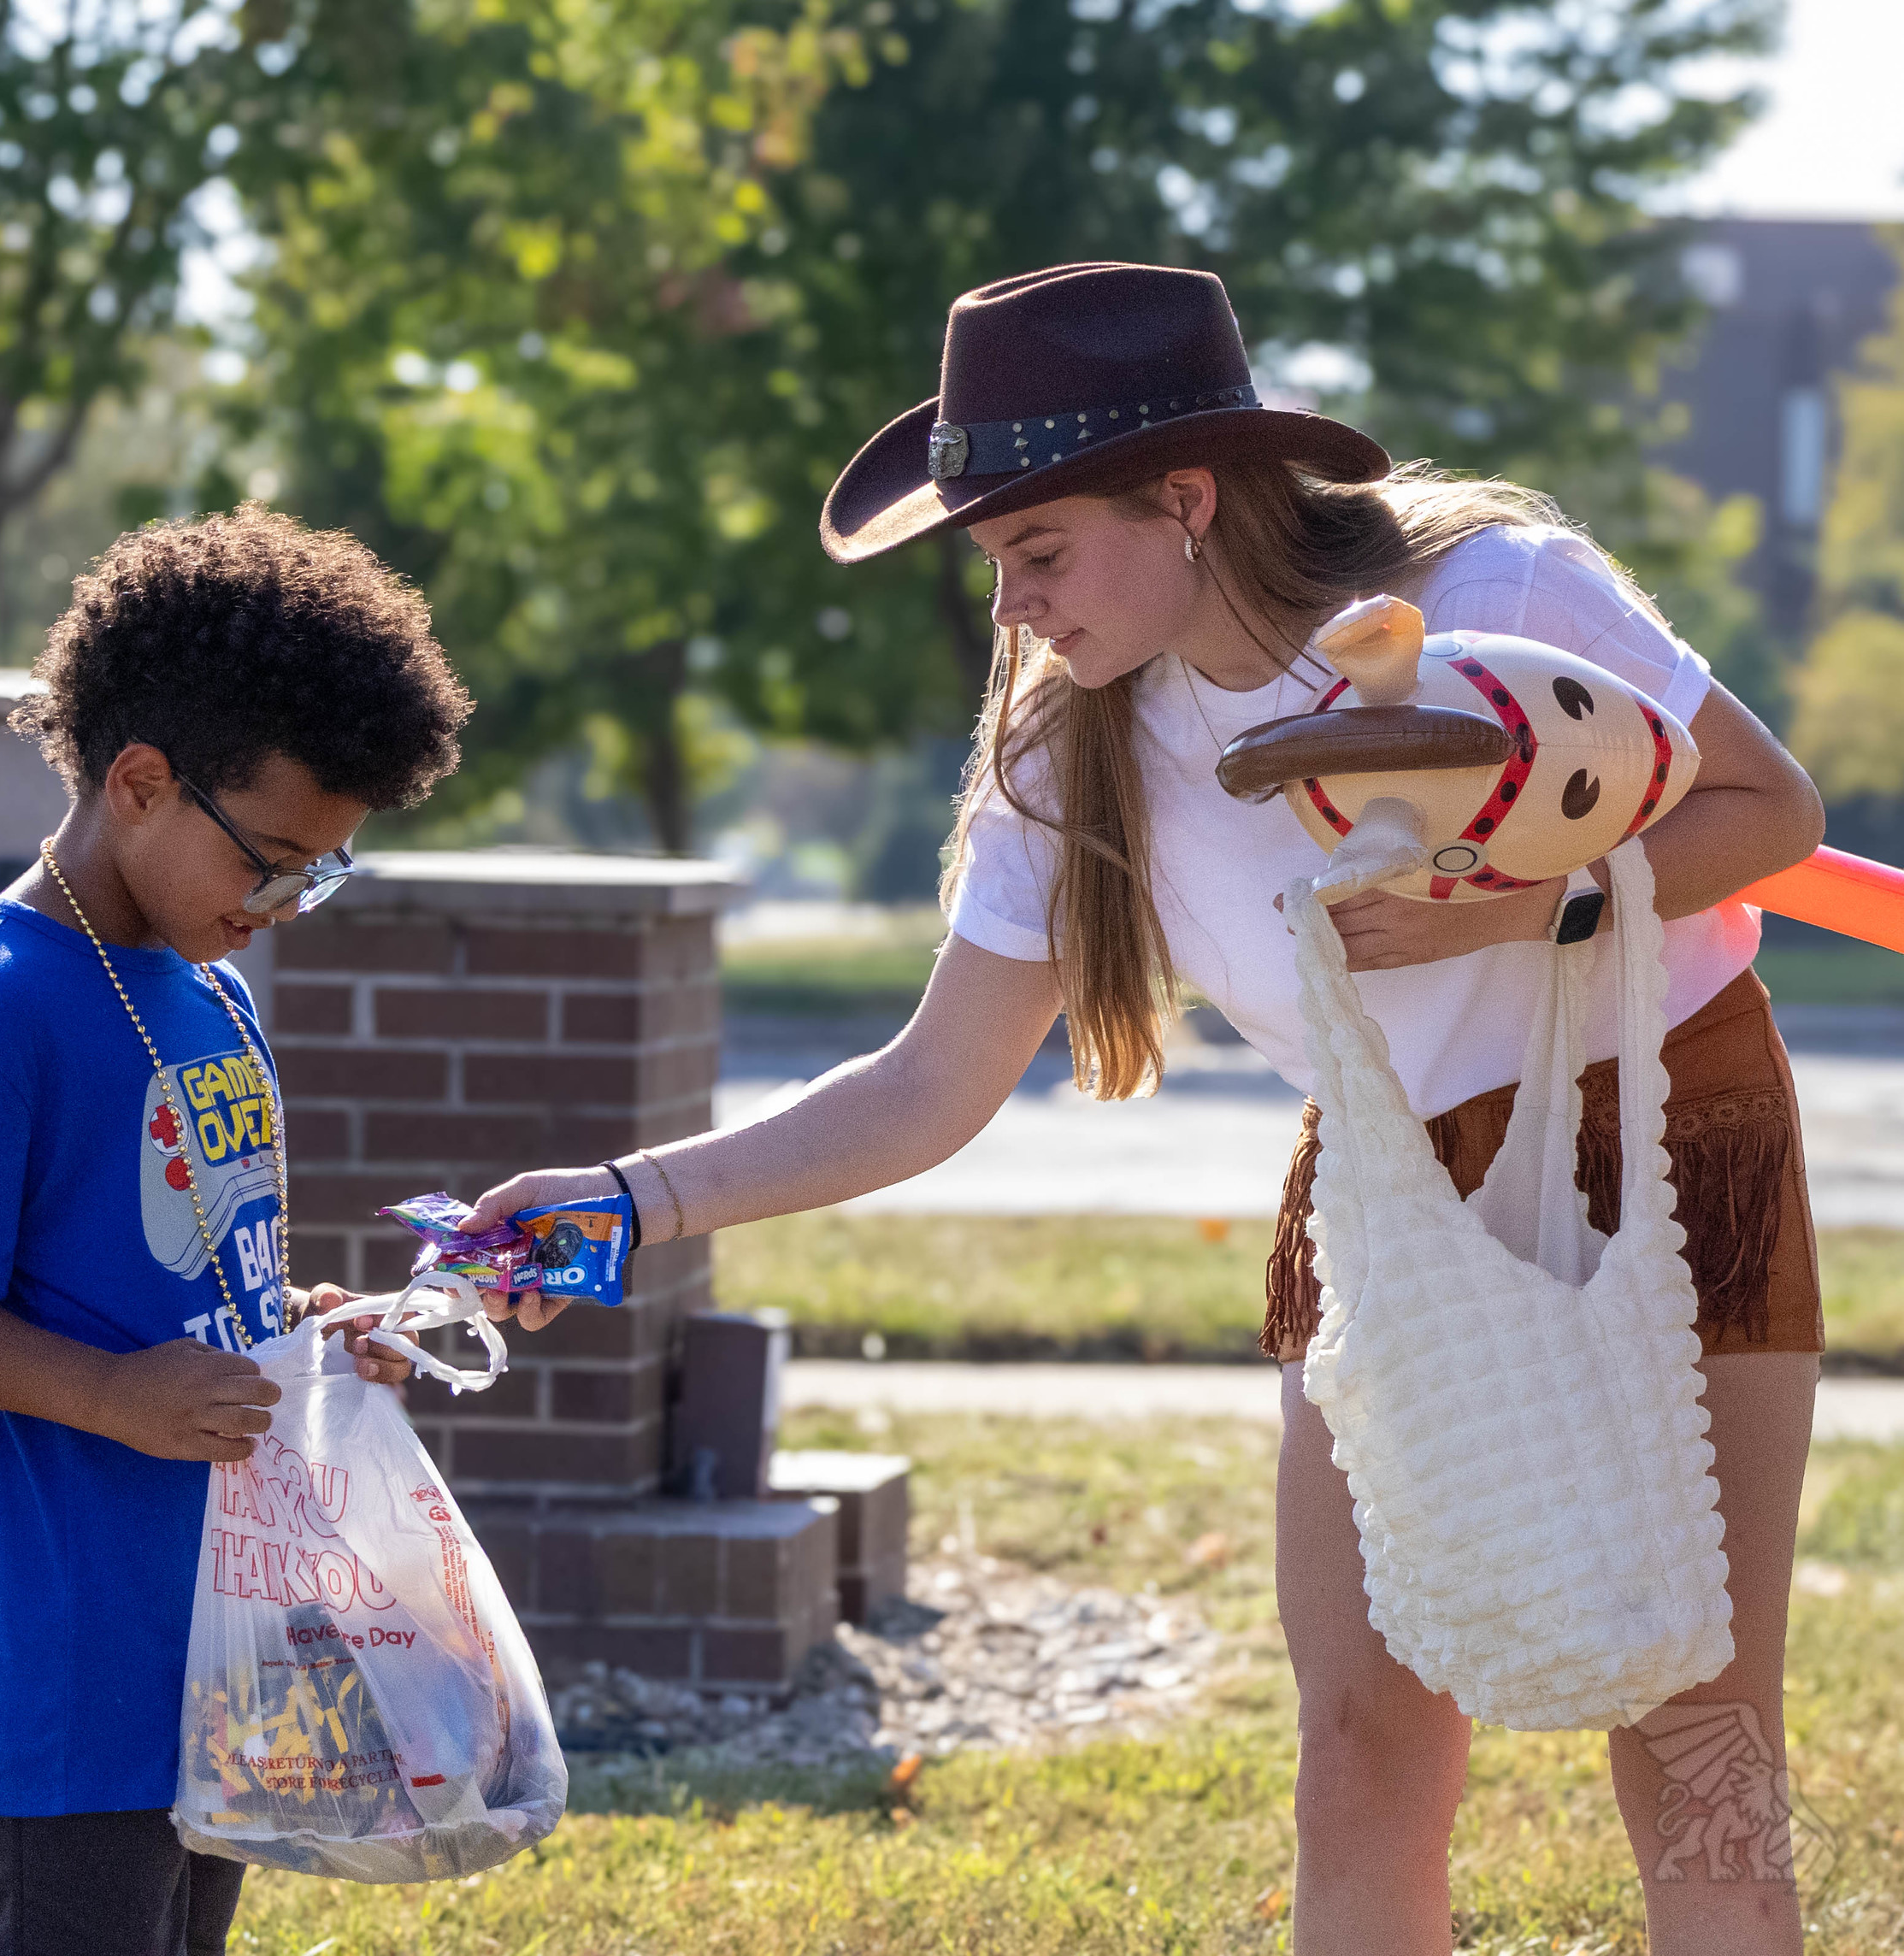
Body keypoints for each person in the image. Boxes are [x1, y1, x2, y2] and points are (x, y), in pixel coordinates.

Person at [462, 263, 1827, 1954]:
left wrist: (1514, 908)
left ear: (1184, 499)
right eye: (994, 564)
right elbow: (925, 1083)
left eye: (1037, 551)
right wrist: (629, 1197)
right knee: (1360, 1741)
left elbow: (1771, 807)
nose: (1014, 607)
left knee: (1696, 1727)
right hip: (1384, 1183)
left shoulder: (1496, 589)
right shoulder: (1072, 749)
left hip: (1665, 1124)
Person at [0, 505, 468, 1956]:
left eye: (322, 871)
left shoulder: (205, 986)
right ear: (139, 783)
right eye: (275, 859)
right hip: (65, 1619)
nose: (288, 904)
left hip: (212, 1612)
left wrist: (305, 1333)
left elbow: (184, 1270)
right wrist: (114, 1395)